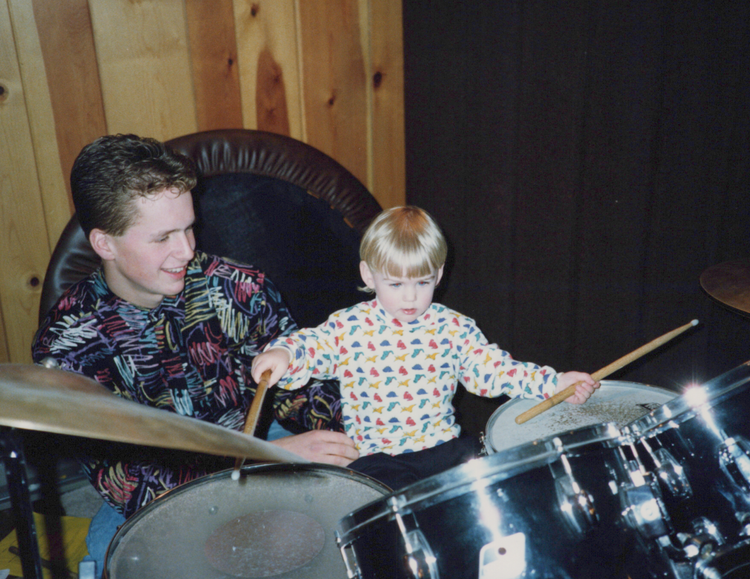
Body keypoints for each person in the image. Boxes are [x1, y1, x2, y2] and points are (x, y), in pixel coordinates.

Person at [31, 134, 358, 576]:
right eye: (162, 237)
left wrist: (359, 415)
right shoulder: (68, 344)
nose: (186, 250)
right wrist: (276, 463)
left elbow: (298, 391)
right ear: (104, 244)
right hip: (169, 487)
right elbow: (131, 483)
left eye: (188, 227)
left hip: (264, 439)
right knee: (116, 548)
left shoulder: (237, 287)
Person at [252, 205, 600, 489]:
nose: (410, 296)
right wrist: (284, 353)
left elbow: (495, 370)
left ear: (438, 275)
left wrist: (553, 383)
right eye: (395, 283)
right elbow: (311, 346)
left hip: (445, 450)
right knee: (382, 499)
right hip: (378, 460)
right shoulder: (348, 327)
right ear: (368, 276)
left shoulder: (454, 328)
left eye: (422, 282)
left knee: (496, 481)